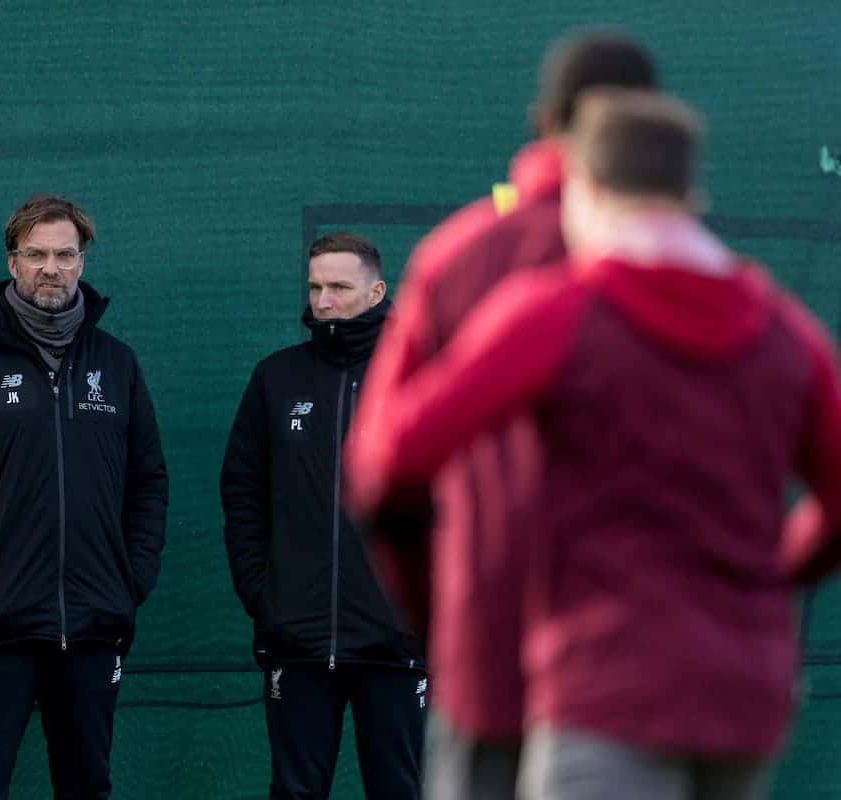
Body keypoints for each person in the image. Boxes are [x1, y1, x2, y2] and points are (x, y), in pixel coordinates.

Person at [348, 88, 841, 800]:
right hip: (745, 693)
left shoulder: (561, 312)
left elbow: (395, 456)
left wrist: (433, 602)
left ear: (583, 189)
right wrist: (774, 577)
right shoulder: (784, 330)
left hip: (603, 686)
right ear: (690, 194)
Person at [346, 31, 656, 799]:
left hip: (493, 654)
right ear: (655, 123)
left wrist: (445, 612)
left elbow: (383, 469)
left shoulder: (461, 258)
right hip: (642, 658)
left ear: (541, 119)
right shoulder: (684, 266)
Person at [0, 193, 169, 800]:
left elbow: (148, 481)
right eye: (35, 254)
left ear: (82, 263)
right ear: (12, 263)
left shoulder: (117, 365)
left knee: (86, 784)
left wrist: (128, 580)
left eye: (64, 254)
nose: (50, 268)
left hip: (93, 622)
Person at [221, 233, 426, 799]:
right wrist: (266, 595)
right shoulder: (277, 378)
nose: (324, 300)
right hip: (298, 640)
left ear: (377, 291)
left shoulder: (420, 375)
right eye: (315, 287)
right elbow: (242, 493)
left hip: (395, 642)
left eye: (339, 287)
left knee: (400, 789)